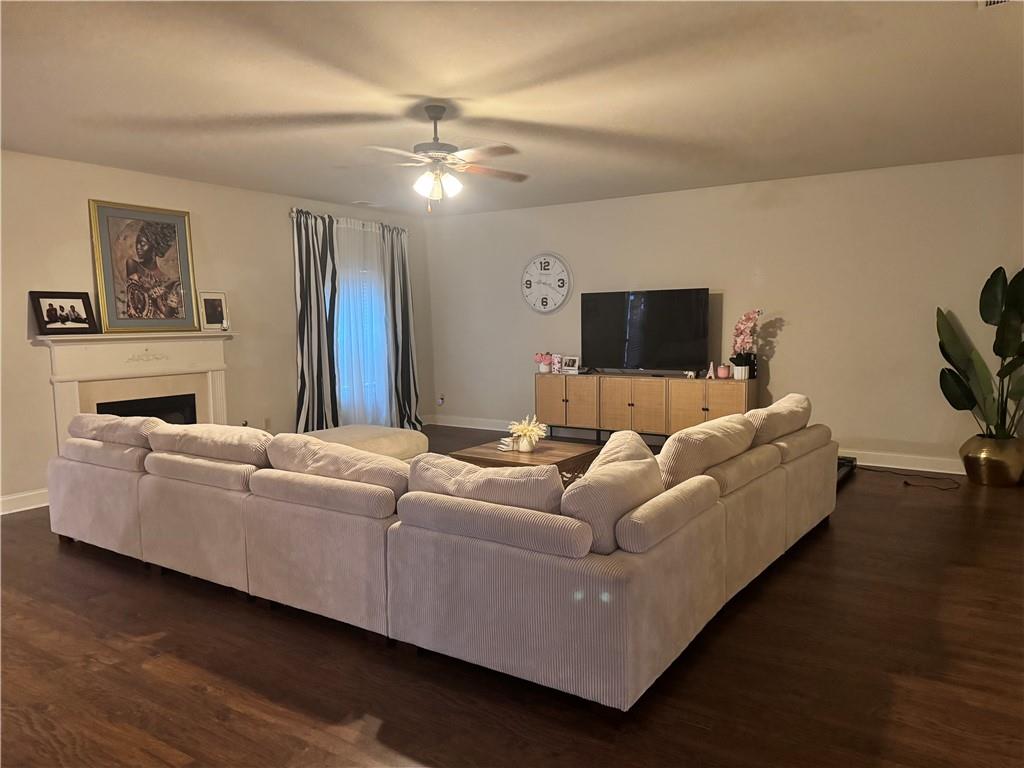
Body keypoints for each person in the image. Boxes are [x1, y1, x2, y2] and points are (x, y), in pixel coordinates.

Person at [124, 221, 183, 320]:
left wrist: (171, 306)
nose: (138, 247)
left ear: (154, 247)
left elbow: (169, 316)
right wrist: (150, 295)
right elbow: (135, 304)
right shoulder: (132, 265)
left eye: (142, 244)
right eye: (137, 243)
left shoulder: (168, 280)